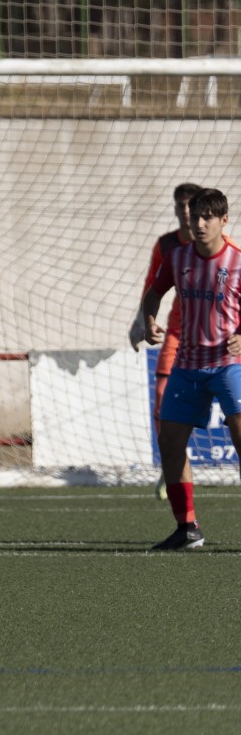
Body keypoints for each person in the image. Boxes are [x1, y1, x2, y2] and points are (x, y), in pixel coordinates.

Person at [141, 187, 241, 550]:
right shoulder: (177, 256)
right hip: (187, 365)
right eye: (195, 216)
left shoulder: (238, 261)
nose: (199, 223)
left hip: (230, 365)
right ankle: (187, 528)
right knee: (169, 443)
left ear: (223, 220)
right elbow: (154, 293)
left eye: (207, 217)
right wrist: (149, 319)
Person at [129, 182, 201, 500]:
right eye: (179, 206)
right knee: (163, 405)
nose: (185, 212)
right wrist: (142, 324)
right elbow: (152, 288)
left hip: (218, 341)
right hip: (177, 335)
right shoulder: (167, 246)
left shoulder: (226, 250)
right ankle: (173, 467)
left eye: (190, 206)